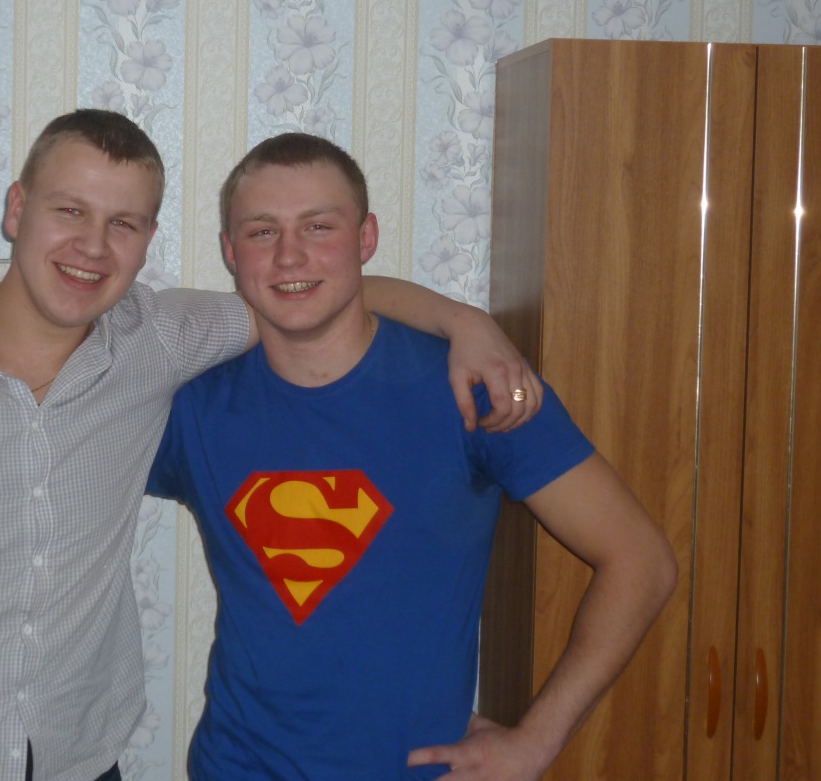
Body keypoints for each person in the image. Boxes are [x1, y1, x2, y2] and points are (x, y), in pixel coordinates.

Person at [0, 110, 540, 781]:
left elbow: (315, 295)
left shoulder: (159, 340)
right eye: (70, 211)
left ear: (148, 237)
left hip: (78, 761)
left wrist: (464, 322)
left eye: (122, 223)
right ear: (17, 209)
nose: (93, 247)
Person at [145, 133, 678, 780]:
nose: (289, 255)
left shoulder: (474, 388)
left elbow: (640, 560)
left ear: (366, 238)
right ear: (231, 251)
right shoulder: (193, 407)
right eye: (262, 232)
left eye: (319, 226)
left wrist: (536, 742)